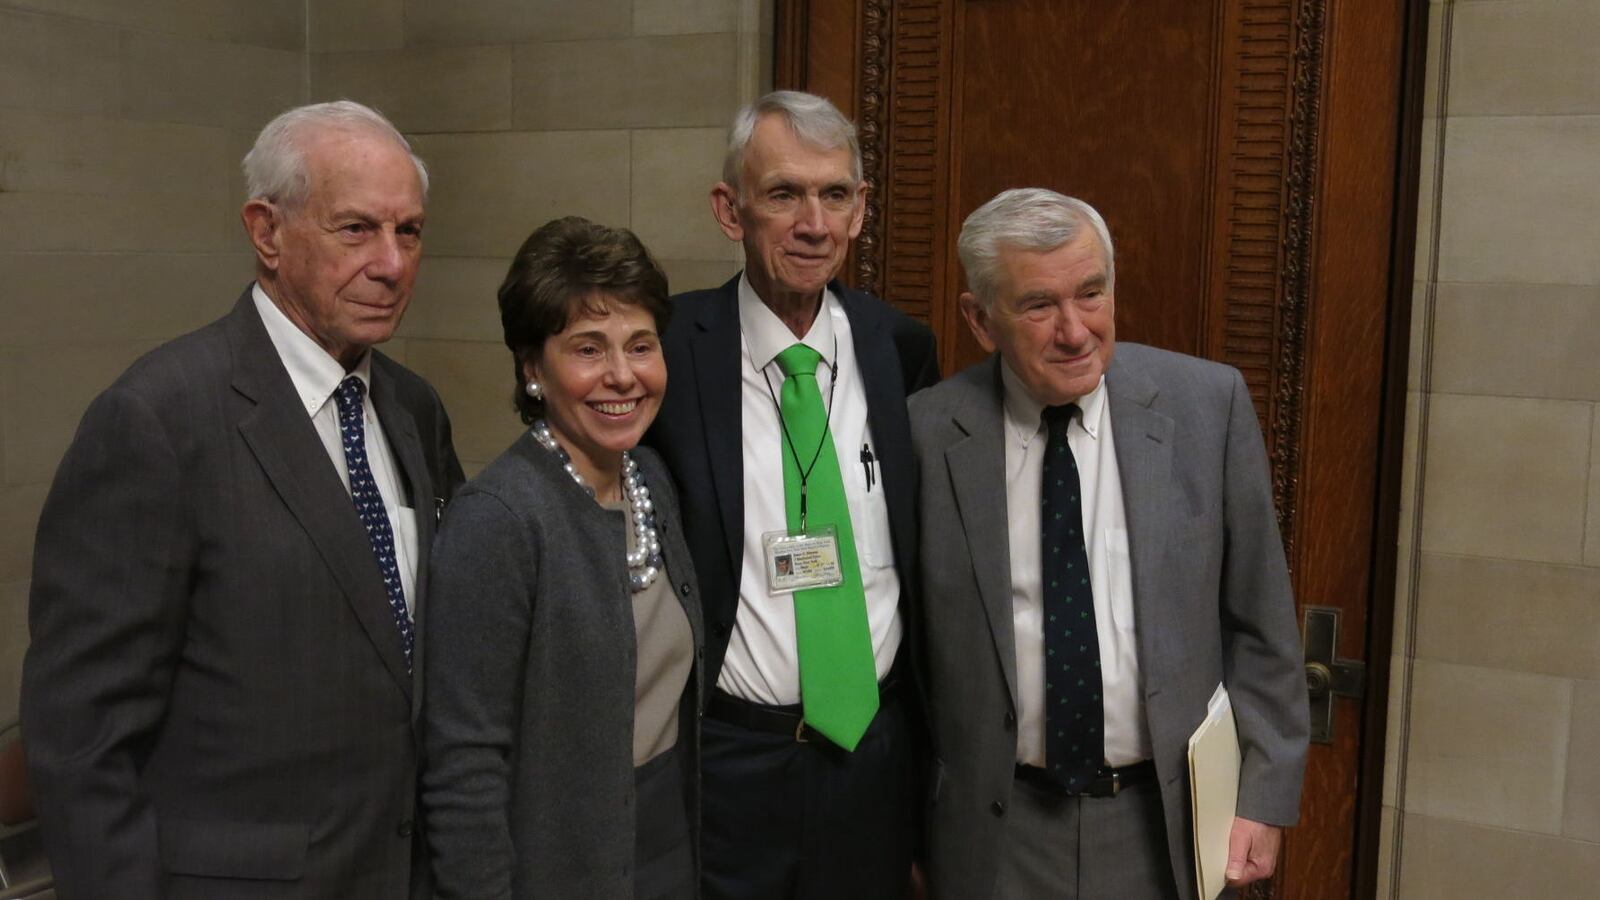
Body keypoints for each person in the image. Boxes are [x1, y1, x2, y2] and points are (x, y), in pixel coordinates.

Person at [19, 100, 464, 899]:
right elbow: (82, 737)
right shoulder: (158, 420)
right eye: (356, 229)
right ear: (266, 232)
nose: (393, 264)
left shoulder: (413, 409)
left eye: (411, 232)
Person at [910, 188, 1309, 899]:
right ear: (980, 320)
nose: (1075, 330)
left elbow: (1262, 623)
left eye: (1091, 293)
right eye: (1038, 305)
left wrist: (1264, 796)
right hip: (996, 830)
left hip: (1165, 824)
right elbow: (903, 657)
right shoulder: (928, 433)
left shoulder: (1205, 407)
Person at [646, 90, 939, 899]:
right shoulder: (669, 350)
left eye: (834, 194)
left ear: (860, 210)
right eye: (783, 194)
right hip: (730, 765)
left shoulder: (902, 349)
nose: (813, 223)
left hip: (874, 763)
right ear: (728, 209)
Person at [421, 216, 702, 899]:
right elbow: (464, 763)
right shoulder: (500, 519)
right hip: (556, 864)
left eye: (641, 345)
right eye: (587, 349)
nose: (622, 376)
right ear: (531, 368)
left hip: (666, 845)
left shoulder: (653, 478)